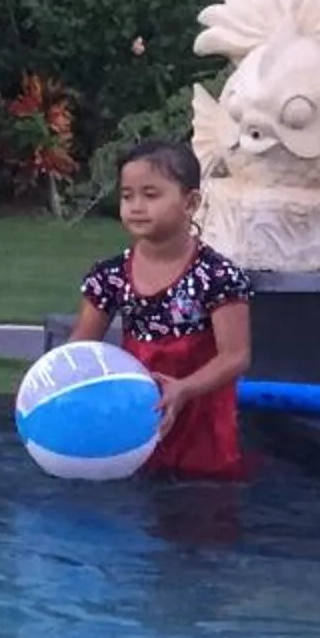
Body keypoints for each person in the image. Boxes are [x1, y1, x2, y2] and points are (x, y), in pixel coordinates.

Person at [70, 138, 254, 480]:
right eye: (127, 196)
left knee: (202, 507)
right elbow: (80, 350)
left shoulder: (217, 276)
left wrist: (184, 388)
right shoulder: (109, 276)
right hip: (138, 417)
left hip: (201, 422)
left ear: (191, 202)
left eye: (151, 195)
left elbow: (235, 356)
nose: (136, 206)